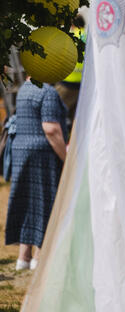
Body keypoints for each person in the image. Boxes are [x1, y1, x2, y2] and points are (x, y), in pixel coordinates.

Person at [5, 80, 69, 271]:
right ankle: (39, 259)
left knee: (27, 204)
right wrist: (66, 158)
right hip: (42, 155)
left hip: (21, 151)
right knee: (44, 203)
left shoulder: (25, 87)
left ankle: (23, 258)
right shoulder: (47, 91)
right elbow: (51, 129)